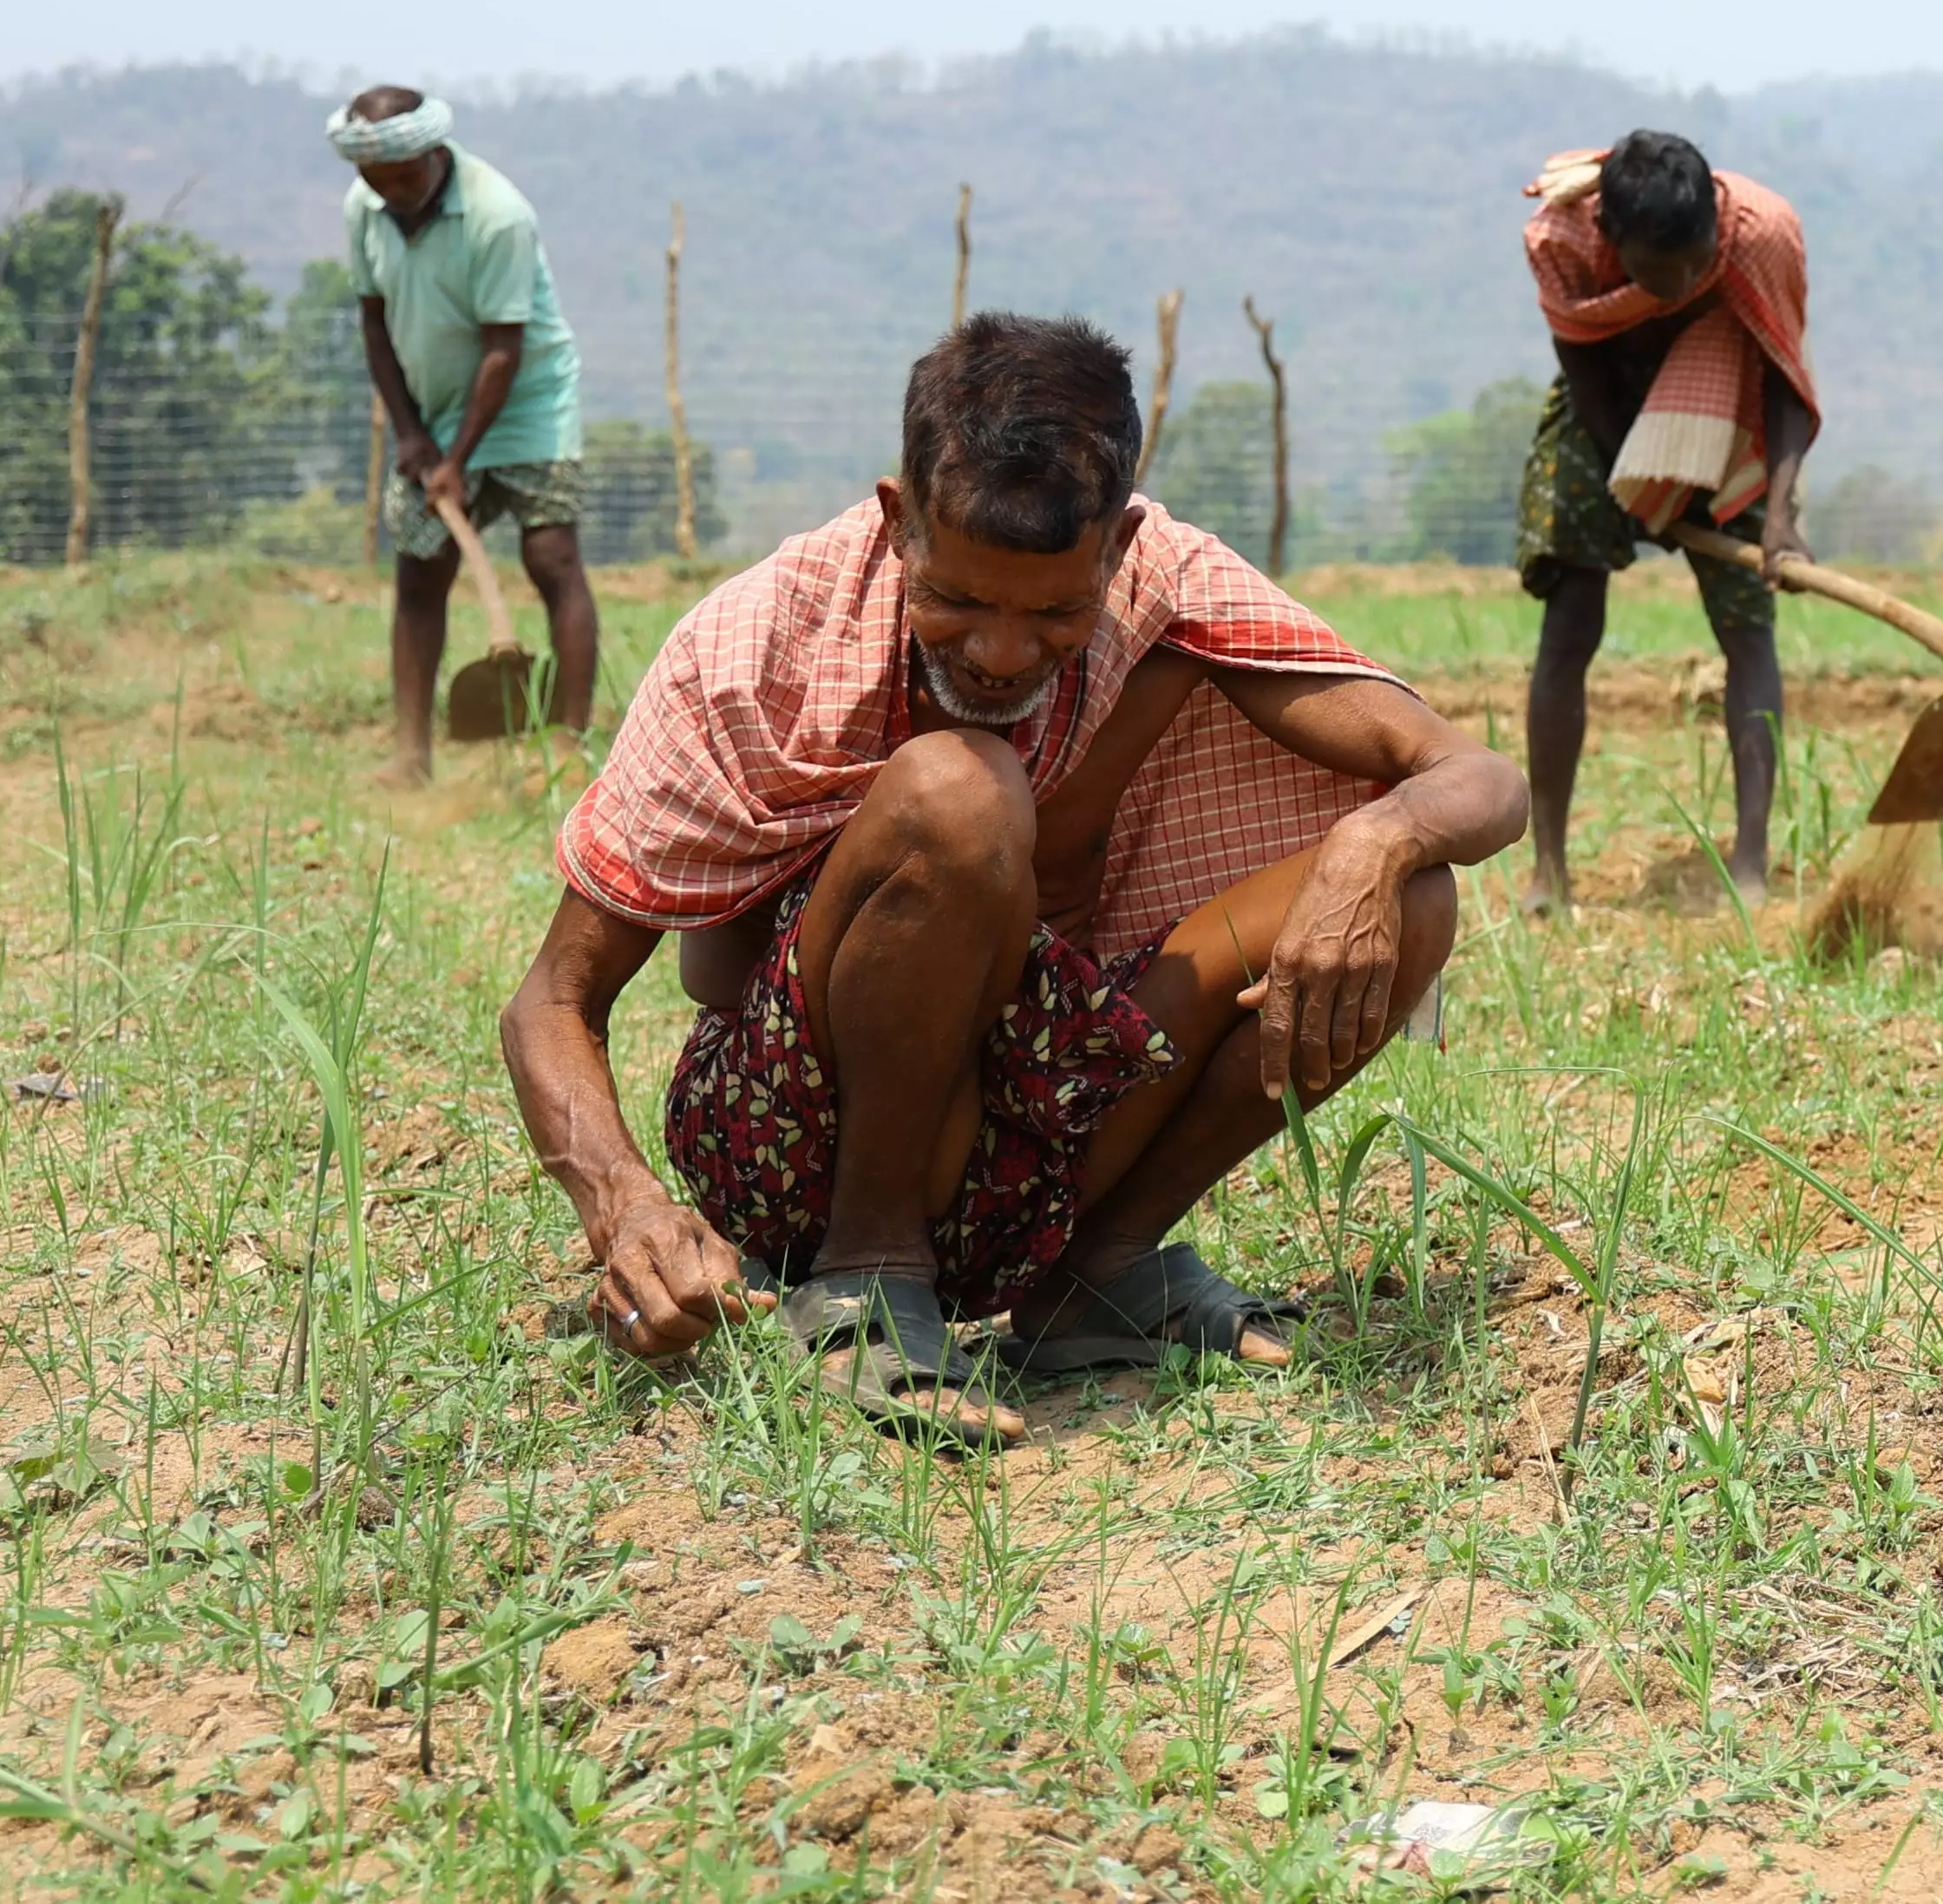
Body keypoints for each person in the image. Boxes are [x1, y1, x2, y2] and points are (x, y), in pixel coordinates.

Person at [501, 315, 1527, 1444]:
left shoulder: (1165, 582)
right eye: (957, 600)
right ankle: (865, 1268)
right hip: (794, 1141)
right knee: (961, 791)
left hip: (1041, 1139)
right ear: (899, 521)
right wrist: (625, 1203)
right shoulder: (754, 645)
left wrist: (1371, 846)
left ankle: (1092, 1272)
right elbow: (552, 998)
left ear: (1119, 542)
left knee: (1417, 896)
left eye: (1053, 611)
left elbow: (1476, 777)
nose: (998, 650)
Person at [1515, 130, 1818, 912]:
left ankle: (1750, 866)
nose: (1685, 282)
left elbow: (1784, 369)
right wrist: (1636, 484)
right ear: (1614, 242)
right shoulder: (1561, 240)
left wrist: (1778, 515)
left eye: (1698, 260)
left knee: (1748, 630)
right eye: (1663, 269)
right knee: (1570, 619)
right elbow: (1583, 366)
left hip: (1730, 409)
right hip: (1605, 411)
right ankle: (1549, 868)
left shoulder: (1763, 233)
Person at [330, 87, 600, 778]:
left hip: (529, 400)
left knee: (552, 559)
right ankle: (411, 753)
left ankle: (571, 746)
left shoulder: (497, 215)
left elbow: (505, 350)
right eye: (375, 178)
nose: (392, 191)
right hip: (435, 404)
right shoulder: (366, 211)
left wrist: (457, 458)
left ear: (432, 152)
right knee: (421, 569)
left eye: (404, 176)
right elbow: (374, 325)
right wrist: (414, 436)